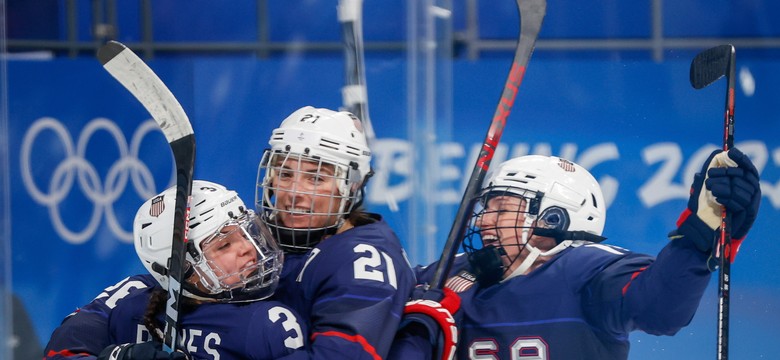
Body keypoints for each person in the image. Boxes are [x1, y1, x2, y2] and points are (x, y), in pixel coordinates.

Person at [390, 150, 761, 360]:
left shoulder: (592, 270)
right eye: (487, 208)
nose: (486, 220)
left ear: (554, 217)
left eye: (503, 209)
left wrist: (696, 240)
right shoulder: (447, 275)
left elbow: (660, 309)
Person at [44, 180, 307, 360]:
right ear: (181, 267)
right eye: (225, 244)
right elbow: (62, 351)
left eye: (246, 233)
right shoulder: (130, 300)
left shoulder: (272, 319)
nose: (249, 249)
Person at [255, 106, 416, 359]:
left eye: (316, 178)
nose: (294, 193)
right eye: (285, 174)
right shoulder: (250, 240)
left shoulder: (360, 260)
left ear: (350, 187)